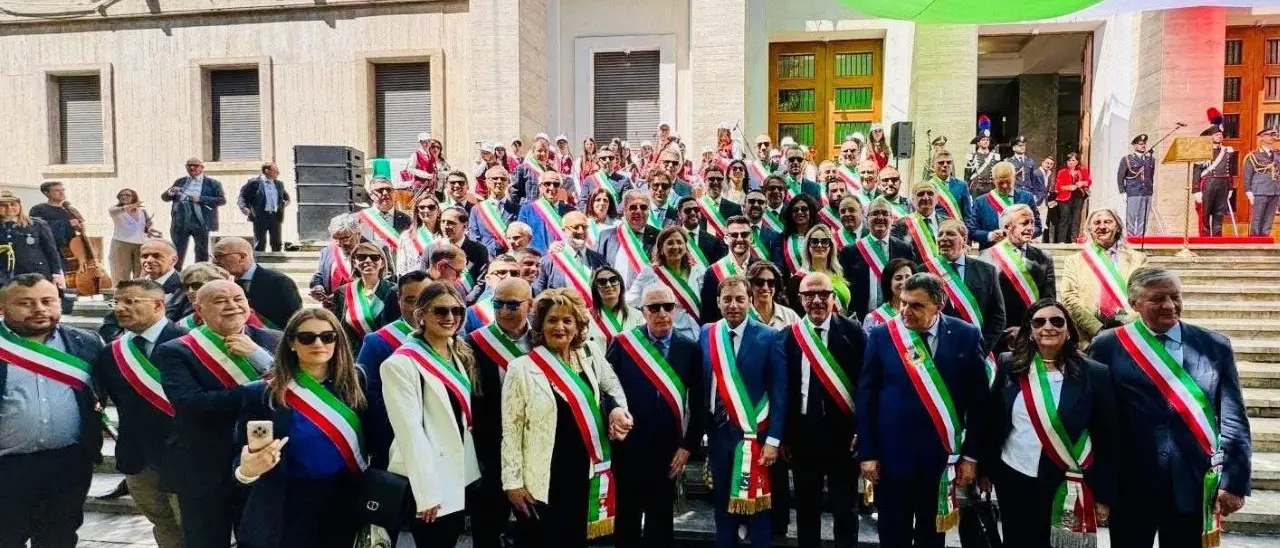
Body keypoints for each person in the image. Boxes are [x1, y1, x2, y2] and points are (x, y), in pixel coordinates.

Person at [1088, 267, 1251, 547]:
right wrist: (1099, 486)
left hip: (1194, 483)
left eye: (1175, 296)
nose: (1169, 305)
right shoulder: (1107, 346)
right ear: (1134, 304)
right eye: (1158, 298)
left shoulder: (1214, 345)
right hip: (1131, 485)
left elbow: (1233, 417)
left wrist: (1235, 481)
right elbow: (1097, 420)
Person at [857, 272, 988, 548]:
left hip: (940, 459)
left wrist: (972, 456)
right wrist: (867, 453)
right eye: (903, 302)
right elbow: (866, 397)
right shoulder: (883, 336)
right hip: (891, 458)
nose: (906, 310)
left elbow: (979, 402)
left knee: (932, 535)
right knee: (893, 533)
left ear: (938, 306)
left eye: (916, 305)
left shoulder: (966, 335)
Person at [502, 289, 633, 547]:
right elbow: (512, 430)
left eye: (567, 320)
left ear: (578, 325)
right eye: (552, 320)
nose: (559, 327)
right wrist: (512, 482)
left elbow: (613, 388)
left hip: (589, 469)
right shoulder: (521, 369)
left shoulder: (590, 353)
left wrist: (618, 410)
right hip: (546, 476)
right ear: (540, 325)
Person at [155, 280, 281, 548]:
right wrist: (261, 388)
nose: (232, 306)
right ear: (198, 309)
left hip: (263, 462)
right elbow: (190, 403)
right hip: (204, 465)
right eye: (221, 300)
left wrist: (259, 357)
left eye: (238, 298)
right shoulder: (176, 350)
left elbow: (297, 391)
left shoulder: (274, 340)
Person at [983, 299, 1117, 548]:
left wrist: (1104, 494)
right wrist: (986, 470)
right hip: (1014, 476)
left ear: (1068, 330)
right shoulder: (1009, 365)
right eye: (1039, 322)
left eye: (1057, 321)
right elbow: (992, 421)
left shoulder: (1095, 374)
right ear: (1030, 331)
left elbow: (1107, 437)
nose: (1048, 327)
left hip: (1067, 482)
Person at [232, 308, 369, 548]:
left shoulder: (356, 382)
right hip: (290, 501)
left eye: (328, 336)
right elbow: (240, 458)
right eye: (307, 337)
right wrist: (246, 471)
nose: (319, 343)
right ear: (292, 343)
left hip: (347, 495)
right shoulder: (262, 393)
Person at [0, 274, 106, 548]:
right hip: (7, 466)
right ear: (3, 307)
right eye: (25, 303)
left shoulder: (86, 343)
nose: (39, 309)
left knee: (59, 538)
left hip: (67, 463)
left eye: (47, 301)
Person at [382, 283, 482, 545]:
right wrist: (426, 493)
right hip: (428, 478)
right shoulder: (401, 363)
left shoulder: (456, 352)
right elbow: (410, 433)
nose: (450, 317)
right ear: (421, 315)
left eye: (457, 311)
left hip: (458, 472)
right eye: (440, 311)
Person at [607, 285, 705, 547]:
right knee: (626, 519)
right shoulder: (623, 344)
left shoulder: (690, 348)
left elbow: (699, 402)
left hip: (668, 449)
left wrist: (687, 447)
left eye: (668, 307)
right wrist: (613, 415)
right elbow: (606, 392)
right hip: (629, 446)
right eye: (654, 307)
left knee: (660, 522)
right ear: (642, 311)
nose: (662, 313)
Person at [95, 279, 185, 548]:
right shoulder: (112, 353)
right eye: (117, 302)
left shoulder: (189, 343)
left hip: (185, 456)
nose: (120, 308)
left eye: (130, 302)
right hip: (138, 458)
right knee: (163, 524)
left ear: (158, 305)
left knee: (194, 526)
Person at [777, 272, 865, 548]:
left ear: (833, 297)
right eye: (809, 295)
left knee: (845, 509)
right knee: (806, 508)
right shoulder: (788, 337)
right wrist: (784, 436)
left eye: (823, 295)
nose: (817, 301)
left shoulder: (853, 333)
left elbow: (867, 386)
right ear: (799, 299)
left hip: (844, 436)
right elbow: (782, 391)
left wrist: (862, 430)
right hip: (803, 435)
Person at [700, 276, 787, 548]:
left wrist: (774, 440)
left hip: (755, 437)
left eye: (740, 299)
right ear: (718, 302)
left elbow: (780, 392)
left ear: (750, 300)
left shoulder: (769, 336)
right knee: (722, 506)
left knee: (757, 509)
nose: (733, 305)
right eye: (727, 299)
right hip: (718, 434)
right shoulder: (708, 333)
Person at [466, 277, 533, 548]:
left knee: (535, 529)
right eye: (498, 304)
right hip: (492, 450)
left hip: (535, 450)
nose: (504, 311)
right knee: (487, 529)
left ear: (530, 305)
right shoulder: (473, 343)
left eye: (513, 305)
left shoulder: (544, 339)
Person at [355, 270, 430, 470]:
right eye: (411, 300)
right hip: (395, 443)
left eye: (426, 299)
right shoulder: (377, 342)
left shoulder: (451, 340)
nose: (419, 308)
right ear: (399, 301)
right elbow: (367, 398)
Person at [1060, 209, 1149, 342]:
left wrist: (1125, 321)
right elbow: (1068, 298)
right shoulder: (1074, 261)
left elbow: (1146, 295)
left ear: (1117, 227)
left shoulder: (1138, 259)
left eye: (1107, 222)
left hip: (1129, 333)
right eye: (1096, 222)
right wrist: (1097, 329)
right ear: (1089, 229)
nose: (1102, 226)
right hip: (1087, 337)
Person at [923, 219, 1006, 354]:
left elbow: (997, 316)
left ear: (964, 238)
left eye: (950, 234)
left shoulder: (987, 271)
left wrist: (982, 349)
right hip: (937, 354)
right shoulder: (924, 271)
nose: (943, 238)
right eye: (940, 234)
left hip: (977, 351)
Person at [979, 204, 1057, 343]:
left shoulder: (1044, 258)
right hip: (1000, 334)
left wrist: (1030, 329)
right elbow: (984, 301)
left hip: (1034, 333)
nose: (1030, 228)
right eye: (1024, 223)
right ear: (1007, 227)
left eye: (1032, 222)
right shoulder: (988, 256)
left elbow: (1049, 300)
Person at [98, 238, 183, 344]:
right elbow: (111, 324)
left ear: (173, 260)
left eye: (156, 256)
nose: (149, 260)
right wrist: (124, 344)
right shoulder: (131, 287)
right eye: (144, 256)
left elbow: (183, 327)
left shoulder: (185, 288)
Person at [840, 198, 913, 320]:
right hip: (860, 318)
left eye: (885, 213)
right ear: (867, 219)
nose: (880, 217)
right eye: (875, 213)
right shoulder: (850, 251)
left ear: (892, 219)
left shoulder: (904, 249)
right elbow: (844, 287)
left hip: (897, 317)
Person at [626, 227, 704, 341]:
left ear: (685, 247)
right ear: (661, 249)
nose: (675, 246)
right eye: (670, 243)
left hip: (698, 335)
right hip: (669, 339)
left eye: (679, 242)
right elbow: (630, 301)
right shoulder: (650, 272)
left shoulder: (699, 271)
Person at [212, 237, 302, 329]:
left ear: (242, 257)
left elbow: (296, 320)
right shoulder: (224, 284)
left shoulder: (279, 282)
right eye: (214, 257)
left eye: (219, 256)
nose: (215, 261)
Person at [329, 243, 394, 354]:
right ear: (355, 263)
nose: (368, 260)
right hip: (354, 357)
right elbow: (338, 329)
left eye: (374, 257)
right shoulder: (342, 293)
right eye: (361, 257)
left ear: (382, 263)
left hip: (385, 355)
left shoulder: (393, 291)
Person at [162, 158, 225, 266]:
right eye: (189, 165)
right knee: (177, 251)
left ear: (202, 168)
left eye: (195, 165)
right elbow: (165, 197)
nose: (192, 168)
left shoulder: (212, 183)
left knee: (201, 251)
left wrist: (200, 199)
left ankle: (200, 275)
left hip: (200, 219)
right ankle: (174, 277)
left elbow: (221, 200)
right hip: (180, 219)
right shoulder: (180, 181)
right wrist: (171, 191)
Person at [968, 161, 1041, 249]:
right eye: (1000, 183)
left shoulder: (1026, 198)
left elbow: (1038, 227)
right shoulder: (981, 201)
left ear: (1014, 178)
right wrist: (991, 236)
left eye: (1008, 182)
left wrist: (1023, 233)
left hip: (1020, 254)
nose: (1005, 186)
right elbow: (971, 231)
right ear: (993, 180)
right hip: (991, 253)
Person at [596, 189, 661, 286]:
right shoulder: (606, 237)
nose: (638, 211)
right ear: (625, 210)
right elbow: (597, 270)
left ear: (649, 211)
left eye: (643, 207)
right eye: (633, 207)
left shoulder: (659, 237)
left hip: (647, 297)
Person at [533, 211, 607, 295]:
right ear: (564, 230)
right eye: (576, 227)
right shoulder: (548, 261)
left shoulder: (600, 259)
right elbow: (538, 293)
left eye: (584, 227)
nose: (581, 231)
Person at [0, 191, 64, 286]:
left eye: (13, 204)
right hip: (5, 276)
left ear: (20, 206)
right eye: (3, 205)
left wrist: (56, 273)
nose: (9, 208)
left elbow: (51, 251)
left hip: (36, 274)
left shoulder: (37, 224)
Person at [700, 216, 756, 323]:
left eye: (744, 234)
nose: (740, 239)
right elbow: (709, 314)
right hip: (725, 334)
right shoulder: (712, 272)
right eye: (734, 235)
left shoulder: (763, 268)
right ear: (726, 239)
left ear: (751, 238)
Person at [787, 224, 849, 313]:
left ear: (830, 246)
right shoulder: (798, 280)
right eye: (814, 241)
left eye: (824, 241)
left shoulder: (838, 272)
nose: (819, 245)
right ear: (808, 246)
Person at [1193, 122, 1238, 237]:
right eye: (1217, 134)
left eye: (1221, 134)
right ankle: (1205, 238)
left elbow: (1231, 171)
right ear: (1210, 137)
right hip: (1208, 183)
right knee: (1205, 213)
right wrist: (1196, 190)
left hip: (1223, 184)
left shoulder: (1227, 151)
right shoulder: (1203, 151)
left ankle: (1217, 238)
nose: (1220, 136)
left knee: (1219, 213)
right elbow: (1197, 170)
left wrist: (1230, 187)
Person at [517, 170, 578, 254]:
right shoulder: (527, 210)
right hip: (538, 259)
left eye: (556, 184)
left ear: (560, 187)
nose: (552, 187)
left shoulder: (571, 211)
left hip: (565, 259)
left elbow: (577, 236)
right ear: (540, 187)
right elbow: (521, 237)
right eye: (547, 184)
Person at [892, 180, 950, 264]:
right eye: (920, 194)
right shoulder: (900, 225)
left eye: (930, 193)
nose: (926, 198)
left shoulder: (948, 222)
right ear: (913, 199)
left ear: (937, 199)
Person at [429, 206, 491, 285]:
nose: (445, 226)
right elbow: (424, 279)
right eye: (442, 222)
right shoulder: (431, 249)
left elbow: (481, 283)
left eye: (451, 223)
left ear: (465, 226)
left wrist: (464, 298)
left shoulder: (479, 250)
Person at [237, 162, 291, 252]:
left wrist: (286, 203)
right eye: (275, 171)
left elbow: (285, 196)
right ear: (267, 171)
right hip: (260, 216)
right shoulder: (254, 183)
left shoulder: (279, 184)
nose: (278, 173)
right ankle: (259, 263)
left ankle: (277, 264)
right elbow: (242, 197)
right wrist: (244, 209)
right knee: (260, 243)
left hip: (275, 216)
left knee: (277, 243)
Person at [469, 165, 522, 257]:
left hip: (510, 257)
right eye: (495, 178)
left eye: (503, 179)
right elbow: (474, 237)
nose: (499, 181)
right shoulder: (477, 209)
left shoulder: (517, 209)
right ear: (487, 182)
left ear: (508, 183)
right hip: (485, 258)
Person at [310, 214, 362, 306]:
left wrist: (342, 296)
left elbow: (378, 285)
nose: (339, 243)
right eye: (335, 238)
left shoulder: (374, 253)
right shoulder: (326, 252)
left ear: (358, 234)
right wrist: (318, 286)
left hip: (361, 311)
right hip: (332, 311)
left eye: (345, 238)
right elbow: (319, 275)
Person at [355, 178, 411, 257]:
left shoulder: (407, 219)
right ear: (371, 195)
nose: (385, 193)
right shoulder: (360, 218)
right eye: (379, 190)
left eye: (388, 190)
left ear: (394, 193)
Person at [108, 188, 153, 281]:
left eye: (127, 195)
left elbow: (146, 227)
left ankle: (138, 293)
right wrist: (132, 205)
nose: (124, 197)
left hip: (140, 244)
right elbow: (121, 210)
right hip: (122, 243)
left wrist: (150, 230)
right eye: (121, 195)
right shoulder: (115, 210)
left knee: (141, 273)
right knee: (121, 273)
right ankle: (123, 294)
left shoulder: (142, 211)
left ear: (134, 197)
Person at [170, 262, 233, 328]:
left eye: (197, 285)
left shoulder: (234, 315)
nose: (190, 291)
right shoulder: (182, 324)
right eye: (186, 287)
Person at [862, 258, 915, 334]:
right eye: (898, 278)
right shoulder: (873, 319)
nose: (904, 282)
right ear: (889, 283)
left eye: (908, 277)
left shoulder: (920, 312)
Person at [395, 190, 442, 276]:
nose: (426, 210)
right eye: (422, 207)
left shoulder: (445, 236)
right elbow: (401, 268)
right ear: (417, 211)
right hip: (416, 284)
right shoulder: (407, 236)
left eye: (431, 207)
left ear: (438, 211)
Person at [1118, 134, 1156, 237]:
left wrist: (1151, 190)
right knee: (1132, 217)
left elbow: (1151, 176)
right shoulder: (1127, 159)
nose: (1143, 146)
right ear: (1135, 146)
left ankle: (1140, 238)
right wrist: (1122, 191)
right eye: (1140, 144)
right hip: (1133, 191)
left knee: (1143, 218)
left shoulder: (1150, 159)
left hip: (1147, 192)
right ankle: (1131, 238)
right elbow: (1120, 176)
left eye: (1144, 144)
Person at [773, 194, 820, 279]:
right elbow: (779, 266)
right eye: (795, 210)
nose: (800, 212)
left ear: (811, 211)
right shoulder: (782, 239)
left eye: (804, 209)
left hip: (819, 283)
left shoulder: (820, 235)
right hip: (793, 286)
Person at [1244, 126, 1280, 237]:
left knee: (1269, 218)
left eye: (1274, 135)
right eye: (1269, 135)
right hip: (1260, 190)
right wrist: (1248, 191)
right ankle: (1254, 241)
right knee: (1257, 218)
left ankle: (1265, 239)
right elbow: (1247, 174)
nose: (1272, 137)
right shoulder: (1254, 156)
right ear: (1262, 137)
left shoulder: (1277, 154)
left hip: (1275, 190)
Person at [745, 261, 801, 329]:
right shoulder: (741, 315)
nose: (765, 288)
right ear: (750, 285)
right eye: (759, 282)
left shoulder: (790, 316)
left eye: (771, 282)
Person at [677, 196, 729, 267]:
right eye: (688, 210)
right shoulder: (672, 239)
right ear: (679, 214)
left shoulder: (715, 242)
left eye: (696, 209)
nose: (693, 213)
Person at [577, 148, 633, 212]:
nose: (607, 161)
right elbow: (583, 201)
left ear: (616, 160)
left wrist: (613, 215)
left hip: (616, 218)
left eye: (611, 158)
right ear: (597, 161)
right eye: (603, 158)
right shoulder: (589, 180)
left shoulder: (624, 180)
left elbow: (627, 201)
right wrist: (590, 215)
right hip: (594, 218)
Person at [925, 151, 974, 223]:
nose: (945, 165)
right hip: (937, 229)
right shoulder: (928, 186)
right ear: (933, 166)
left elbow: (968, 215)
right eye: (941, 163)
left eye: (949, 162)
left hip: (957, 229)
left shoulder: (962, 185)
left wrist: (966, 231)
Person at [29, 181, 78, 252]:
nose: (62, 193)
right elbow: (36, 229)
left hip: (73, 250)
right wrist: (67, 223)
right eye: (57, 190)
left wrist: (79, 227)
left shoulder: (70, 209)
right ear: (46, 193)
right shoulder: (38, 209)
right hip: (51, 250)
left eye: (63, 190)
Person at [1054, 153, 1092, 243]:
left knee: (1076, 218)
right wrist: (1069, 187)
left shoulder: (1083, 170)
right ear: (1066, 162)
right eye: (1069, 160)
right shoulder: (1062, 172)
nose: (1071, 162)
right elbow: (1058, 187)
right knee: (1065, 218)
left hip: (1078, 196)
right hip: (1064, 197)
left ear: (1077, 161)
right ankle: (1061, 241)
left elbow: (1089, 182)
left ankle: (1073, 240)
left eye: (1073, 160)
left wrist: (1082, 183)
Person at [743, 190, 781, 260]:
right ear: (743, 206)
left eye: (760, 202)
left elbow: (778, 265)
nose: (756, 205)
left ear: (766, 208)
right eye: (751, 201)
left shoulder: (775, 236)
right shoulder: (734, 232)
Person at [965, 130, 1001, 198]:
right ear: (978, 143)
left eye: (987, 140)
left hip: (991, 188)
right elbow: (967, 176)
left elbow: (998, 174)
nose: (986, 141)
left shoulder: (995, 157)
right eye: (983, 140)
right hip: (976, 189)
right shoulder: (972, 156)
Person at [1008, 136, 1041, 204]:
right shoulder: (1009, 162)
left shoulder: (1030, 161)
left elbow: (1032, 179)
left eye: (1024, 145)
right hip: (1015, 192)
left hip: (1027, 192)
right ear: (1014, 148)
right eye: (1020, 145)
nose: (1022, 147)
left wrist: (1034, 193)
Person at [1035, 157, 1058, 243]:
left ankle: (1039, 240)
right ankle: (1034, 240)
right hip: (1037, 200)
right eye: (1047, 163)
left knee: (1043, 221)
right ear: (1043, 162)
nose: (1049, 165)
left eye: (1051, 164)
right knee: (1035, 220)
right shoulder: (1036, 173)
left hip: (1044, 201)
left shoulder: (1049, 174)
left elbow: (1046, 189)